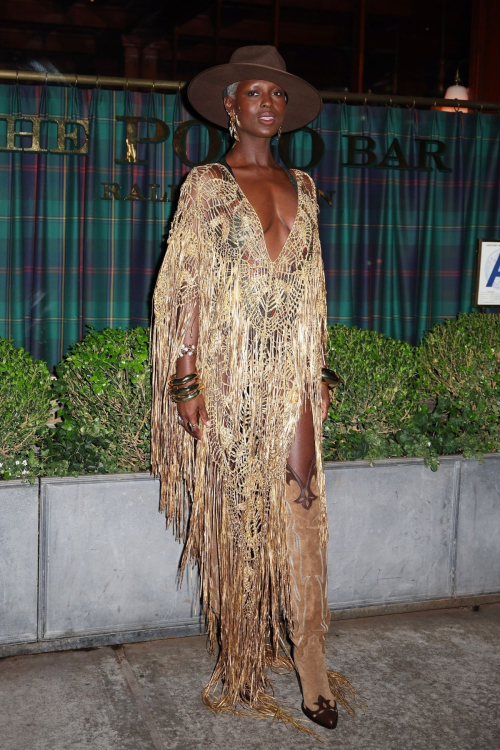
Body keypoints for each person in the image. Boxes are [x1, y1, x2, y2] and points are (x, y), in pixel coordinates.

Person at [151, 45, 359, 732]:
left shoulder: (302, 185)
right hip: (228, 370)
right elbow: (183, 286)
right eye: (255, 93)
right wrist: (186, 378)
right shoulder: (206, 184)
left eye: (277, 94)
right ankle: (242, 658)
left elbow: (314, 289)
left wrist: (318, 371)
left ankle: (311, 665)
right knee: (238, 515)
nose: (268, 103)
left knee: (302, 502)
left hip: (289, 369)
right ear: (230, 106)